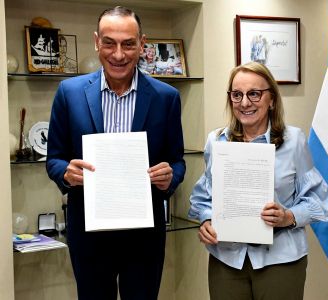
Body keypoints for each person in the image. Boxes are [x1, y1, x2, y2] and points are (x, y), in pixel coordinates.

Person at [46, 6, 185, 300]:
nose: (118, 54)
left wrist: (169, 177)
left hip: (144, 236)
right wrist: (66, 173)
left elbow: (177, 161)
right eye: (109, 43)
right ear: (97, 41)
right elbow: (54, 159)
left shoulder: (166, 97)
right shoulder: (68, 93)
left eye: (128, 44)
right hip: (88, 234)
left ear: (142, 44)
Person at [188, 62, 328, 300]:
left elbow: (320, 200)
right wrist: (205, 219)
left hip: (280, 260)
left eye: (254, 94)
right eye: (237, 95)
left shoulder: (293, 140)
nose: (245, 103)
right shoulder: (216, 141)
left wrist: (288, 216)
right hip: (226, 260)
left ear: (272, 99)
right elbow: (202, 196)